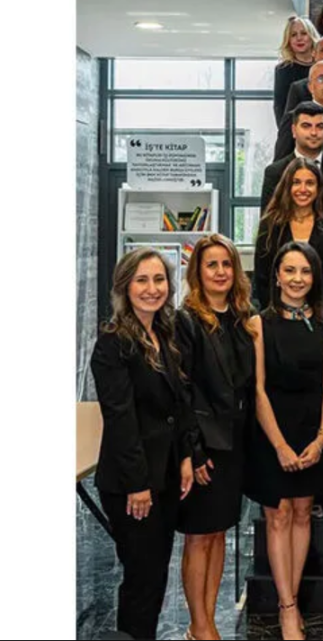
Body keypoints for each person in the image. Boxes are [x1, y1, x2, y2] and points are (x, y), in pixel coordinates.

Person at [91, 248, 196, 641]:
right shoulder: (113, 343)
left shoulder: (164, 334)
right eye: (142, 280)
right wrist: (138, 484)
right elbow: (121, 420)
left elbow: (178, 405)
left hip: (165, 475)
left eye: (159, 279)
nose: (152, 289)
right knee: (141, 578)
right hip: (131, 483)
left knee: (154, 576)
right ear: (125, 287)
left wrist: (185, 457)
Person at [249, 241, 323, 641]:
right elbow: (257, 389)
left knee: (303, 513)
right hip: (272, 430)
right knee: (279, 515)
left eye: (305, 271)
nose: (297, 279)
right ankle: (286, 608)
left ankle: (294, 597)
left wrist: (321, 439)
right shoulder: (258, 324)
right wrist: (280, 446)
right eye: (289, 270)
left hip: (312, 430)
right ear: (277, 276)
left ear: (314, 277)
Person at [175, 234, 256, 641]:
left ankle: (206, 622)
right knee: (199, 536)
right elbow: (182, 391)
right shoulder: (186, 321)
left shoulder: (242, 317)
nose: (221, 272)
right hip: (204, 446)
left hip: (234, 444)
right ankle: (200, 625)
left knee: (220, 532)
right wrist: (194, 450)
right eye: (212, 265)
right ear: (198, 272)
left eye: (227, 264)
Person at [255, 157, 323, 310]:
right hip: (276, 313)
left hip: (320, 314)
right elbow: (262, 277)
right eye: (296, 182)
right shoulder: (269, 226)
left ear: (318, 188)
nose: (303, 189)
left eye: (310, 183)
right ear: (287, 186)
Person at [262, 101, 323, 225]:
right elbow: (267, 223)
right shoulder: (275, 172)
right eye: (306, 126)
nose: (314, 133)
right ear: (293, 130)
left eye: (320, 126)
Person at [274, 16, 320, 126]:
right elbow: (280, 106)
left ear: (312, 36)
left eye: (304, 33)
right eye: (293, 35)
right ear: (288, 40)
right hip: (295, 127)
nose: (299, 38)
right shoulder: (283, 69)